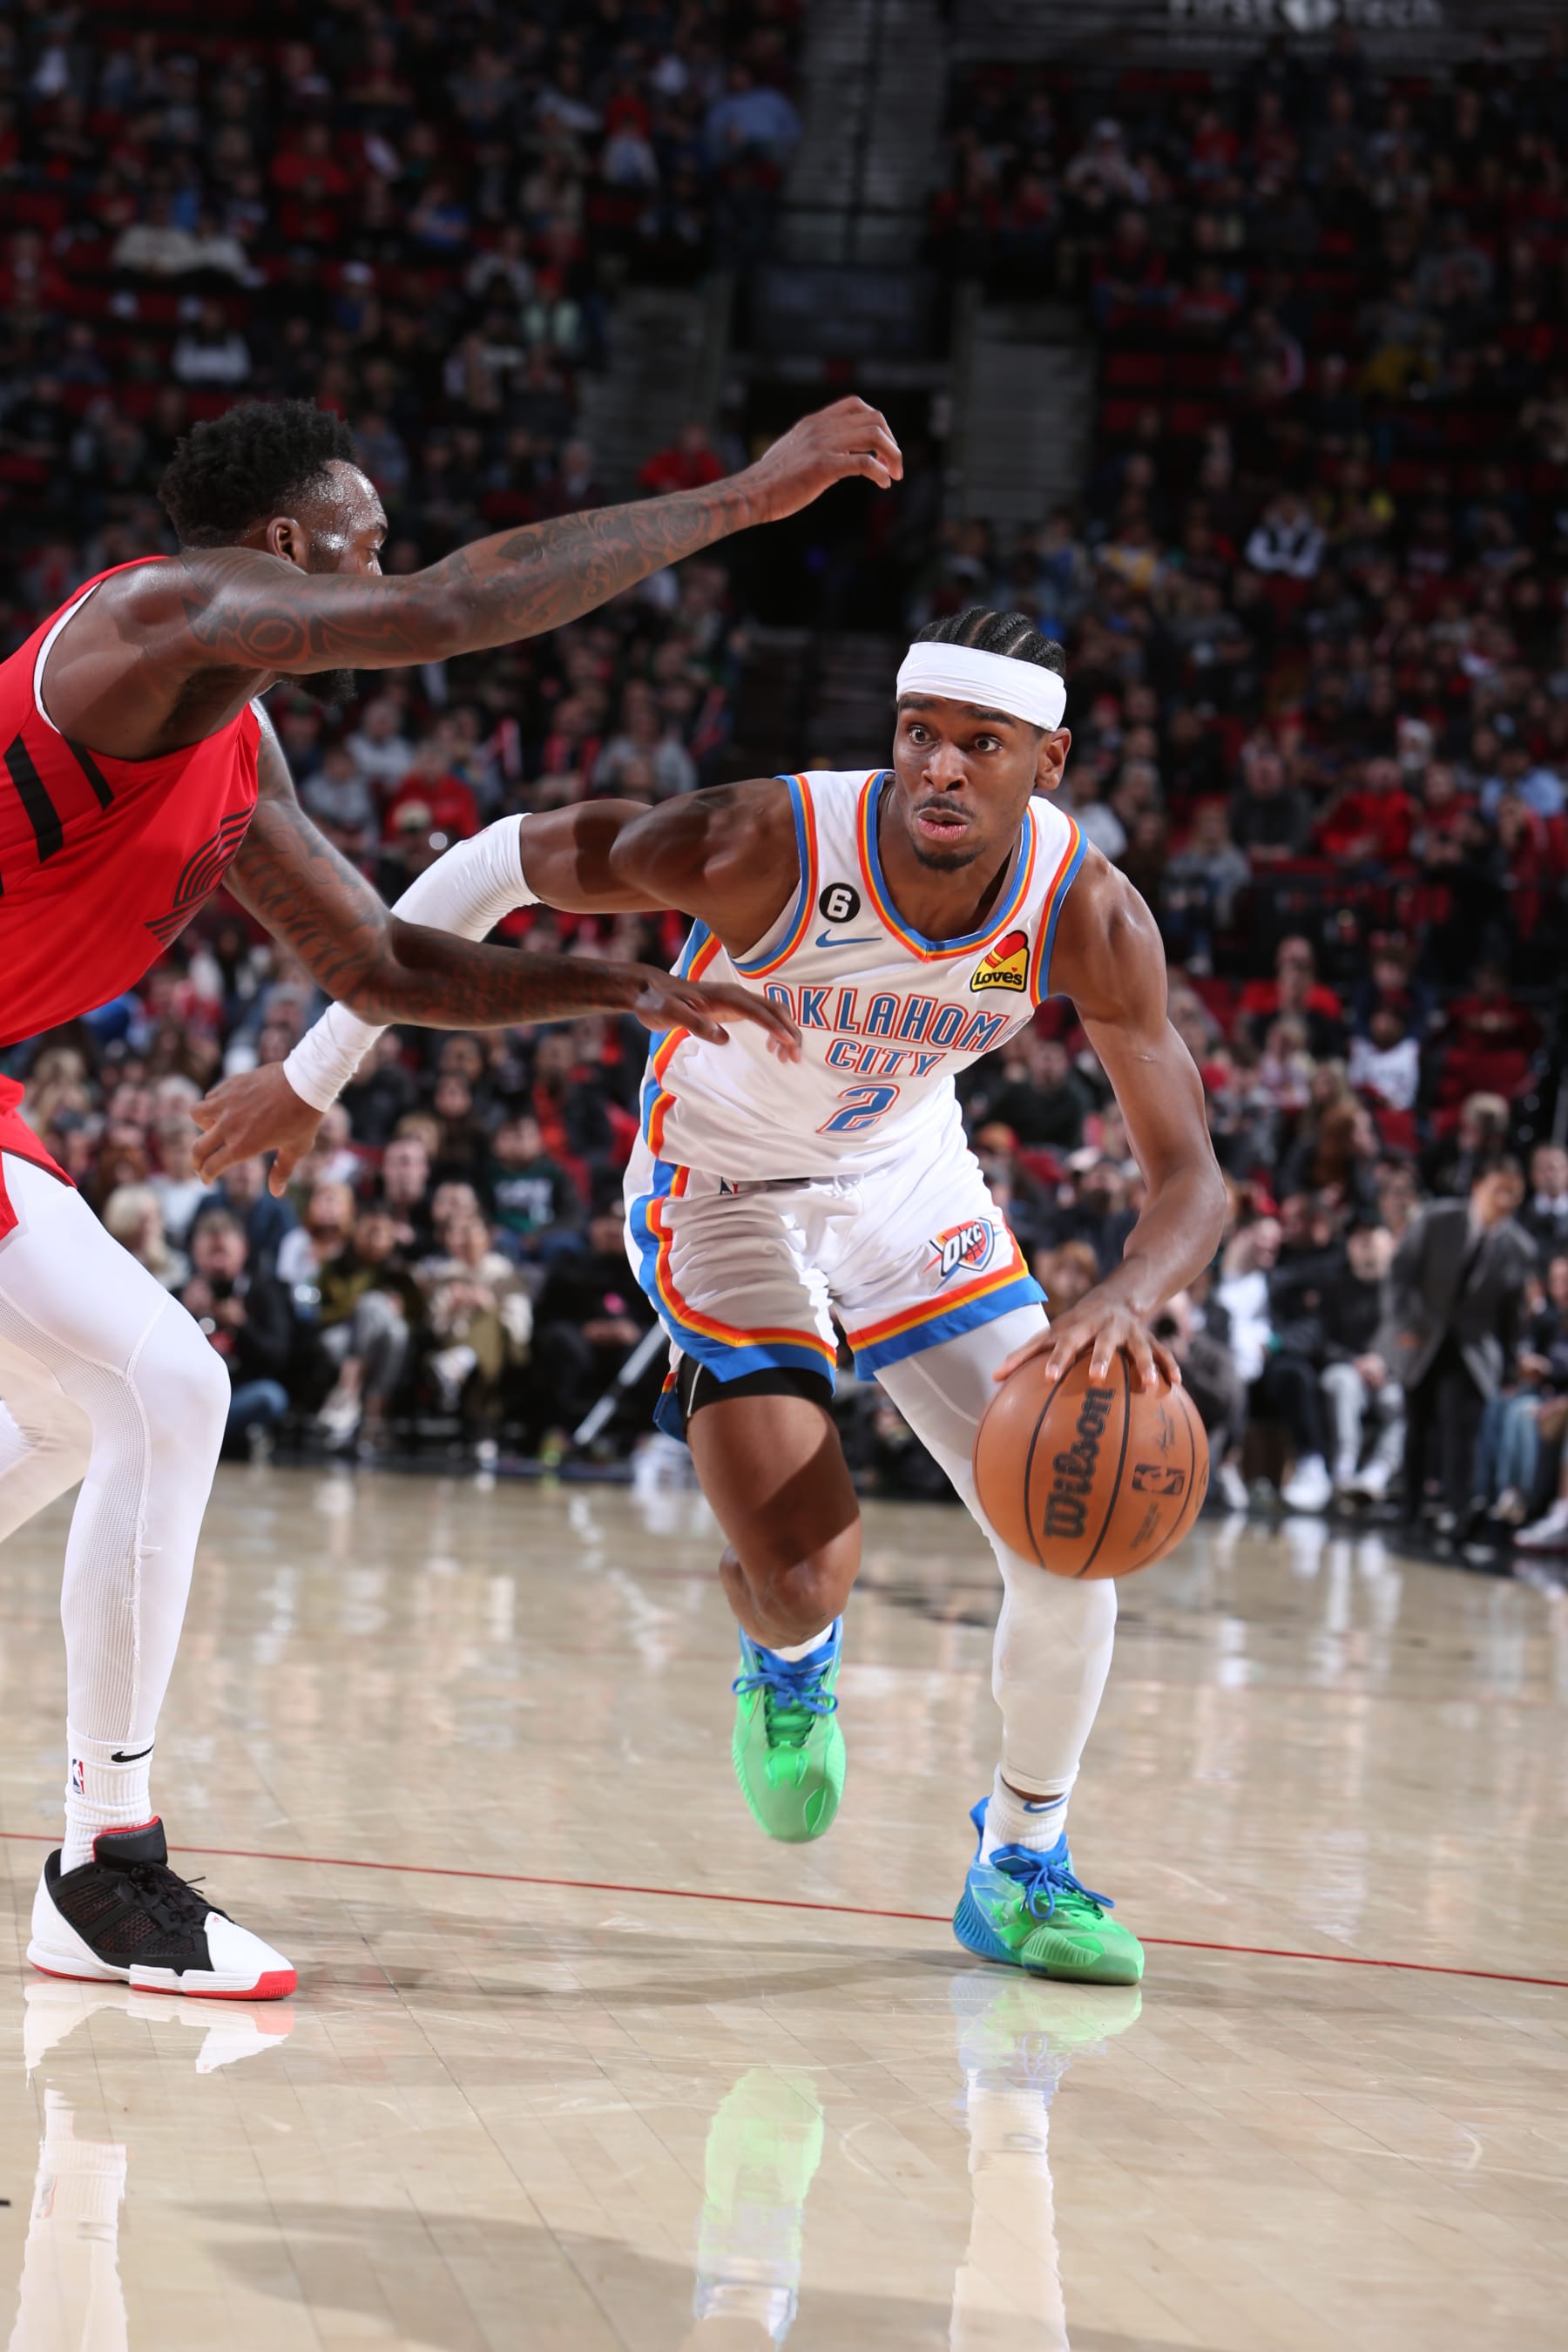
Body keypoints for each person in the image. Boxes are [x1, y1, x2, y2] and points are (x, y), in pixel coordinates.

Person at [1, 390, 892, 2001]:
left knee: (73, 1420)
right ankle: (103, 1865)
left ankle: (97, 1865)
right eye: (363, 540)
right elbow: (450, 609)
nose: (384, 565)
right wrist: (740, 502)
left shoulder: (235, 743)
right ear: (286, 548)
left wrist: (620, 989)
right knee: (169, 1383)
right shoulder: (153, 613)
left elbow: (381, 960)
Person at [229, 608, 1227, 1988]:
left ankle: (1021, 1861)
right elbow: (489, 865)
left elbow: (1194, 1181)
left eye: (979, 745)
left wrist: (1124, 1294)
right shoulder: (766, 841)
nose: (939, 768)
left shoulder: (1087, 911)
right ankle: (792, 1651)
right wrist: (315, 1070)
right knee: (807, 1568)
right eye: (919, 735)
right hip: (722, 1186)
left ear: (1046, 761)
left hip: (907, 1191)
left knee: (1071, 1537)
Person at [1385, 1157, 1536, 1532]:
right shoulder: (1438, 1219)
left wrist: (1512, 1359)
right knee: (1416, 1428)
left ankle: (1458, 1513)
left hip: (1473, 1349)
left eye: (1514, 1194)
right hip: (1422, 1336)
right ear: (1478, 1188)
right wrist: (1403, 1323)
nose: (1506, 1201)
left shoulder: (1520, 1247)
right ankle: (1410, 1511)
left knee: (1461, 1431)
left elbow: (1511, 1314)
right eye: (1499, 1190)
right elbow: (1401, 1272)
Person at [178, 1211, 295, 1456]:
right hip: (189, 1401)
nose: (218, 1262)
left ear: (244, 1249)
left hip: (238, 1395)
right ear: (195, 1251)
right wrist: (184, 1316)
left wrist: (243, 1326)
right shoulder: (179, 1296)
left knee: (270, 1396)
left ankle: (204, 1438)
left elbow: (279, 1358)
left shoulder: (262, 1292)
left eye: (224, 1252)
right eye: (211, 1252)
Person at [1318, 1220, 1404, 1502]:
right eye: (1359, 1240)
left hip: (1390, 1375)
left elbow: (1412, 1341)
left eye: (1372, 1239)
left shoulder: (1403, 1293)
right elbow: (1321, 1342)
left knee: (1400, 1400)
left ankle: (1378, 1472)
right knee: (1345, 1385)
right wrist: (1356, 1362)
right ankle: (1344, 1468)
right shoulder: (1334, 1289)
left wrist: (1385, 1364)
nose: (1366, 1247)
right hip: (1345, 1370)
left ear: (1390, 1244)